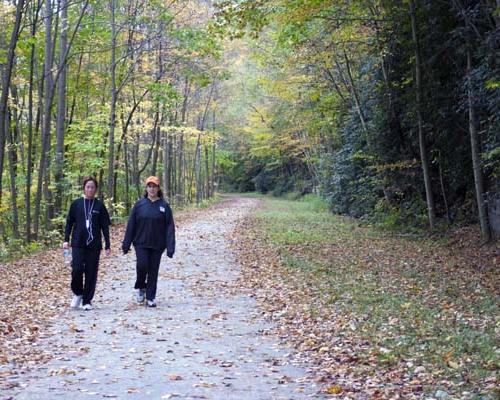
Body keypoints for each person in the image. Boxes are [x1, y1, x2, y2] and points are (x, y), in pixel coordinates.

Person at [122, 176, 176, 308]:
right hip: (141, 243)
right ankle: (141, 286)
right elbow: (131, 225)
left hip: (157, 244)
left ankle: (151, 297)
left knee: (153, 270)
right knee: (142, 265)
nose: (152, 189)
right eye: (149, 186)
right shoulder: (139, 205)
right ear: (146, 188)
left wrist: (170, 247)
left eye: (154, 186)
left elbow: (170, 227)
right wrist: (126, 243)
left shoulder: (164, 206)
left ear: (158, 188)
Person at [63, 177, 111, 310]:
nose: (90, 189)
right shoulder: (76, 204)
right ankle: (78, 293)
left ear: (96, 189)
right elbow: (69, 223)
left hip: (94, 245)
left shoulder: (99, 205)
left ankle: (87, 300)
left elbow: (105, 227)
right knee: (77, 269)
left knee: (91, 272)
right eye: (88, 187)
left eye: (92, 187)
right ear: (84, 188)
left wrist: (108, 245)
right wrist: (66, 240)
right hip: (78, 242)